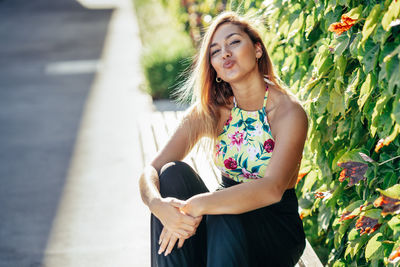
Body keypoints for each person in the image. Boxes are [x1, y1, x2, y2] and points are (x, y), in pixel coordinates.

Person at [139, 11, 308, 267]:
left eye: (234, 42)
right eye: (215, 51)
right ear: (214, 67)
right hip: (224, 227)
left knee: (221, 211)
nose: (225, 53)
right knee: (172, 173)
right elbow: (151, 170)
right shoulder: (213, 110)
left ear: (258, 49)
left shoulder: (287, 112)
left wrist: (199, 205)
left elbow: (272, 189)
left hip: (274, 231)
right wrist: (158, 205)